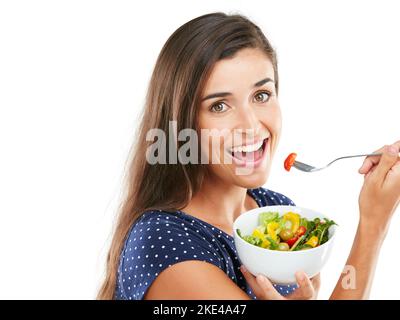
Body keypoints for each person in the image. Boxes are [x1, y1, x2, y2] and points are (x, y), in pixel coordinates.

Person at [97, 12, 400, 300]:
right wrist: (373, 224)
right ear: (182, 127)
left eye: (261, 96)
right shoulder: (162, 241)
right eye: (219, 106)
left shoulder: (274, 208)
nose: (251, 125)